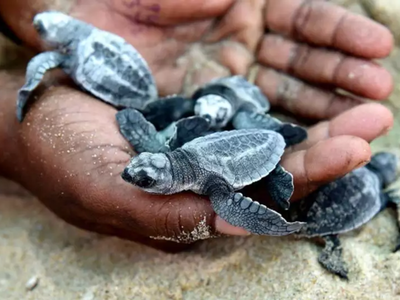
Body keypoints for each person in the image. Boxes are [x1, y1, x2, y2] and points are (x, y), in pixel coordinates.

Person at [0, 0, 395, 251]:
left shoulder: (211, 184)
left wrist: (268, 223)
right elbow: (143, 128)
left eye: (145, 177)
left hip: (260, 150)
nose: (132, 174)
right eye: (143, 174)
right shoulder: (181, 157)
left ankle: (284, 144)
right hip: (232, 133)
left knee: (271, 176)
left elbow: (155, 129)